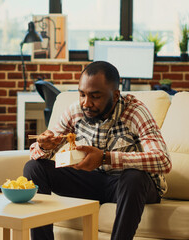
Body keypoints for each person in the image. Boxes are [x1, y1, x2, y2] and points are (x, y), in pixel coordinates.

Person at [23, 61, 172, 240]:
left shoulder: (135, 111)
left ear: (115, 95)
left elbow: (163, 160)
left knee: (134, 176)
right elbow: (40, 148)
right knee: (34, 167)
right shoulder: (76, 110)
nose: (86, 103)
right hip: (92, 181)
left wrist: (105, 158)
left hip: (127, 186)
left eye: (95, 96)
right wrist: (44, 146)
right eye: (82, 95)